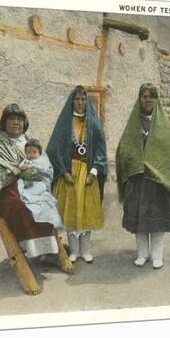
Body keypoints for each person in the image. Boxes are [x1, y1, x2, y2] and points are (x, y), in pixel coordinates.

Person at [116, 83, 170, 269]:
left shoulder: (162, 125)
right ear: (139, 99)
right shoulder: (134, 123)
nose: (147, 100)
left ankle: (157, 255)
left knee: (156, 221)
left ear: (156, 100)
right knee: (139, 220)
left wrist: (160, 166)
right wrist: (132, 160)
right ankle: (142, 254)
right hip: (138, 180)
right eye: (144, 96)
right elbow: (124, 146)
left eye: (151, 97)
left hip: (156, 182)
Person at [0, 104, 65, 261]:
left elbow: (46, 164)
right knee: (23, 206)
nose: (16, 123)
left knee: (46, 201)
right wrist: (21, 173)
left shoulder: (30, 141)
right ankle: (33, 248)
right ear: (4, 122)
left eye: (19, 119)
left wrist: (37, 174)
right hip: (8, 191)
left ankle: (49, 248)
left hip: (33, 187)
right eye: (12, 119)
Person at [47, 85, 107, 263]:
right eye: (76, 99)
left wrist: (94, 171)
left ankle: (86, 250)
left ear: (87, 101)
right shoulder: (65, 122)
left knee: (86, 211)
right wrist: (63, 171)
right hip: (70, 173)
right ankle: (73, 250)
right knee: (71, 212)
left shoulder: (93, 123)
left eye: (83, 99)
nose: (80, 103)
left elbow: (100, 150)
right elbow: (54, 148)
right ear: (71, 101)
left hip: (87, 173)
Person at [17, 139, 63, 231]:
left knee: (44, 201)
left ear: (39, 152)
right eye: (28, 152)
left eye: (34, 152)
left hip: (40, 183)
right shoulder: (26, 160)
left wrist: (33, 166)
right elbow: (21, 166)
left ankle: (49, 223)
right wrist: (22, 167)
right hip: (29, 183)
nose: (31, 154)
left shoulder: (42, 160)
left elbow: (44, 169)